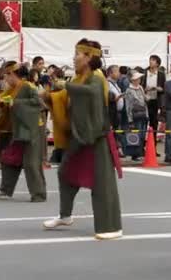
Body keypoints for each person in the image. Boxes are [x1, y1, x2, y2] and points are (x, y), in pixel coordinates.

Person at [42, 38, 123, 240]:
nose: (74, 57)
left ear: (89, 57)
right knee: (65, 172)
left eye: (78, 54)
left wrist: (66, 87)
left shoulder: (96, 76)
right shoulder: (79, 78)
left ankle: (110, 227)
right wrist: (50, 96)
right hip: (80, 134)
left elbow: (92, 94)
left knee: (101, 183)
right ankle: (65, 215)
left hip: (95, 135)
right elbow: (65, 98)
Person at [0, 62, 46, 202]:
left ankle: (39, 194)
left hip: (32, 128)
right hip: (17, 129)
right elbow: (4, 102)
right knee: (9, 159)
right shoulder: (11, 88)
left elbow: (39, 104)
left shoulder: (28, 86)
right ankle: (5, 190)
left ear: (13, 75)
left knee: (31, 163)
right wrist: (1, 102)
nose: (5, 78)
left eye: (7, 75)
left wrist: (16, 103)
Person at [142, 55, 166, 155]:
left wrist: (159, 89)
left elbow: (164, 88)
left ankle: (153, 148)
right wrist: (145, 89)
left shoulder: (161, 74)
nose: (151, 62)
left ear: (157, 63)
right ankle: (142, 148)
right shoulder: (144, 73)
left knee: (154, 124)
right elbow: (140, 86)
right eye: (150, 60)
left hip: (156, 101)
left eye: (153, 61)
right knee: (144, 124)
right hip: (145, 101)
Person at [124, 70, 148, 162]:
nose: (139, 80)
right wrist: (130, 119)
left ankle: (140, 152)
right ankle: (135, 154)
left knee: (142, 134)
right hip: (135, 115)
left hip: (143, 113)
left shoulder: (140, 88)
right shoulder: (129, 90)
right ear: (133, 80)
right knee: (136, 134)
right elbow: (128, 106)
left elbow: (144, 100)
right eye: (137, 79)